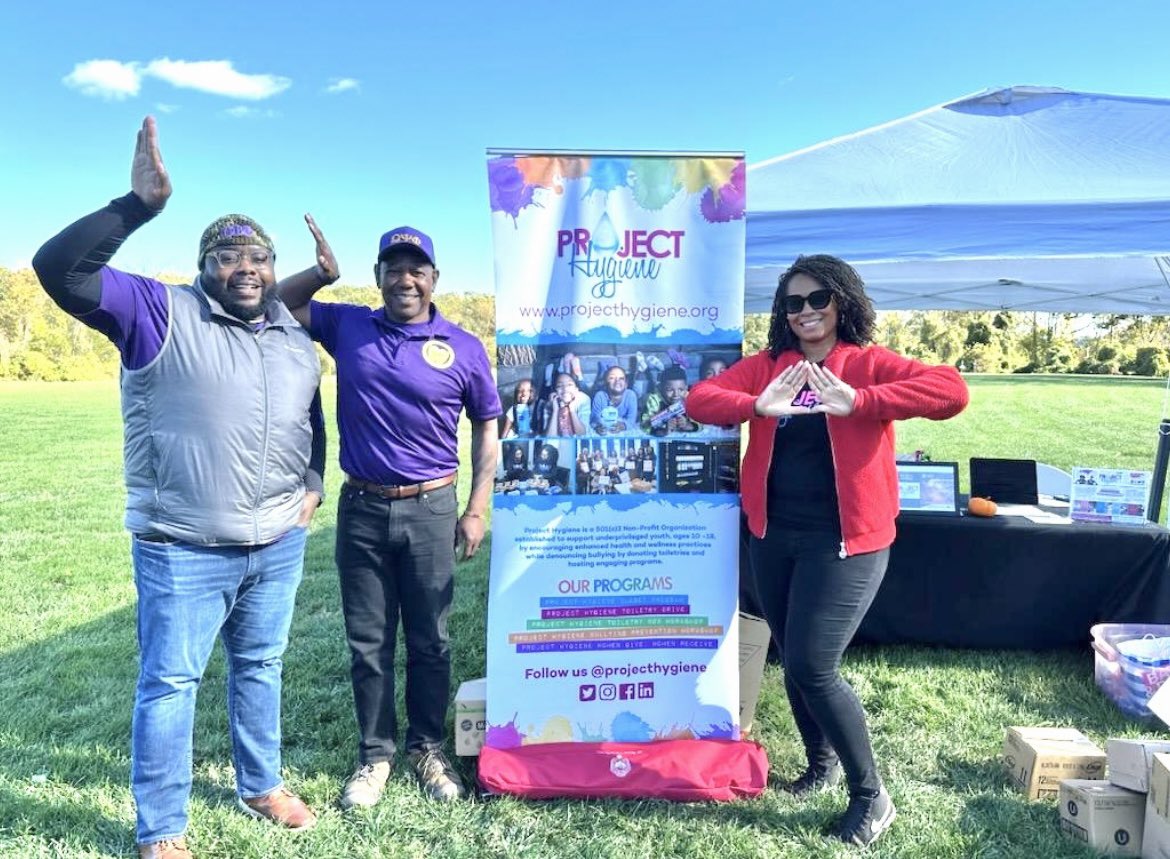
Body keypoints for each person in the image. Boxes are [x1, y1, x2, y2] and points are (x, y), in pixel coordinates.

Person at [31, 117, 324, 859]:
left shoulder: (291, 333)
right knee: (169, 684)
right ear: (204, 266)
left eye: (259, 256)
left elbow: (309, 416)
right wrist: (134, 207)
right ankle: (162, 828)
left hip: (277, 543)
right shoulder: (159, 311)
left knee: (261, 666)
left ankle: (260, 783)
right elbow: (58, 270)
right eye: (229, 256)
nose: (247, 268)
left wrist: (315, 483)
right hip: (183, 547)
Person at [687, 254, 968, 848]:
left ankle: (872, 796)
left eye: (819, 298)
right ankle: (821, 765)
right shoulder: (770, 367)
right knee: (794, 659)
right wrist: (756, 405)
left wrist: (860, 401)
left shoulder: (866, 364)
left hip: (846, 541)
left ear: (842, 301)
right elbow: (701, 399)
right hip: (773, 536)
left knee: (815, 666)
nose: (807, 311)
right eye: (794, 302)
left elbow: (951, 390)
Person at [277, 218, 500, 807]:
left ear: (434, 279)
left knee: (431, 640)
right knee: (368, 642)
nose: (405, 279)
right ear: (378, 276)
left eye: (416, 270)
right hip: (362, 509)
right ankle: (375, 755)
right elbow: (280, 302)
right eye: (394, 269)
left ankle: (427, 748)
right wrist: (320, 274)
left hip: (432, 507)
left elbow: (487, 425)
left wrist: (476, 508)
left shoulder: (464, 347)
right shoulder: (349, 324)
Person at [641, 365, 700, 434]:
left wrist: (688, 425)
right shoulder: (654, 400)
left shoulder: (689, 398)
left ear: (686, 388)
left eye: (681, 389)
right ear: (661, 388)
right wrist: (664, 430)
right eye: (670, 390)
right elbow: (644, 426)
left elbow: (701, 422)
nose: (676, 394)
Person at [540, 372, 592, 436]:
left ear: (576, 389)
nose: (565, 389)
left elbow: (582, 434)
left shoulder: (583, 399)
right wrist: (555, 411)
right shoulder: (550, 403)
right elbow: (550, 437)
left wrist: (572, 410)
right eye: (559, 386)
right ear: (555, 391)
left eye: (569, 385)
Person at [591, 365, 639, 434]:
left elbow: (631, 421)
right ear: (606, 382)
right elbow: (594, 419)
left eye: (621, 378)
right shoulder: (600, 396)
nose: (617, 381)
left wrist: (622, 426)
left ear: (626, 384)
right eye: (612, 378)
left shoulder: (631, 395)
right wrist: (599, 426)